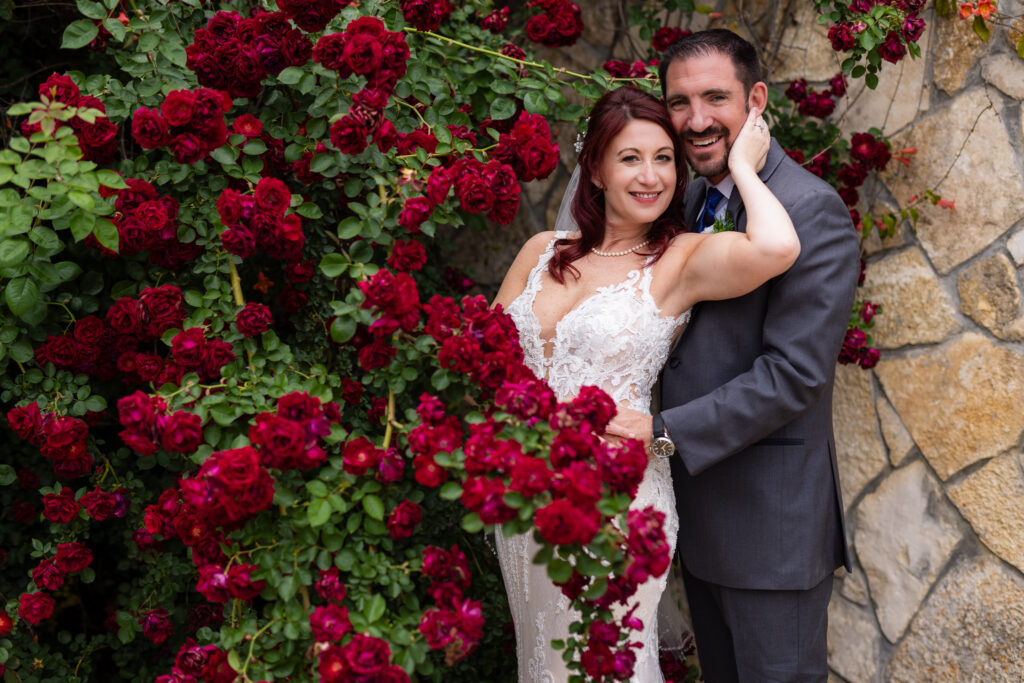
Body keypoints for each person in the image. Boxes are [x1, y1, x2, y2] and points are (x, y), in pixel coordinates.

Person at [492, 84, 799, 683]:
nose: (651, 176)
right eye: (631, 158)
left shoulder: (679, 259)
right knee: (544, 662)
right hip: (521, 492)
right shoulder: (539, 251)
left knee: (609, 665)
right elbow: (484, 357)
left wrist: (741, 166)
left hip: (615, 497)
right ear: (597, 169)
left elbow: (777, 246)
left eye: (664, 159)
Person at [606, 30, 861, 682]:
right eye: (679, 102)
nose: (695, 120)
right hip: (695, 517)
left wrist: (662, 431)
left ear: (755, 100)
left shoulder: (812, 211)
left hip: (770, 531)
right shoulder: (685, 201)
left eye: (715, 98)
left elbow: (794, 373)